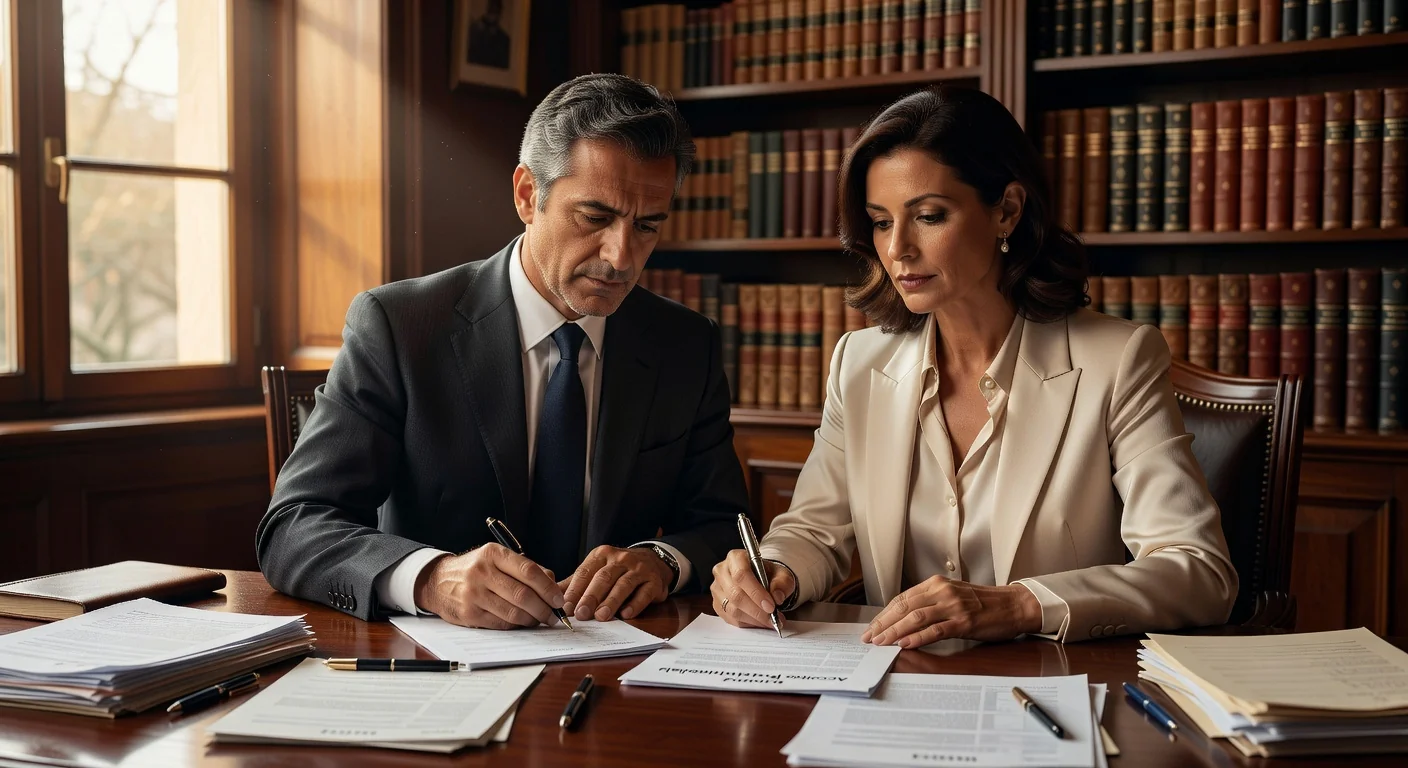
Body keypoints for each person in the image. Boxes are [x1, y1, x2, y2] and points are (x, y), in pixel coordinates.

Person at [710, 87, 1237, 644]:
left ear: (1007, 210)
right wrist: (774, 572)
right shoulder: (858, 363)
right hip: (891, 687)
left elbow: (1198, 571)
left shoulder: (1118, 360)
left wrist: (1018, 606)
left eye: (929, 217)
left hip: (1049, 689)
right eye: (882, 222)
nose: (898, 250)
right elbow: (816, 528)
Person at [258, 73, 749, 630]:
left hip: (622, 665)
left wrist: (662, 560)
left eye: (647, 226)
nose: (621, 257)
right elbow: (295, 526)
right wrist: (429, 578)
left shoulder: (686, 344)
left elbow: (725, 526)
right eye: (595, 218)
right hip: (436, 667)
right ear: (526, 195)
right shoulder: (399, 326)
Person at [468, 0, 511, 69]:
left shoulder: (504, 40)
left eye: (495, 10)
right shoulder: (475, 31)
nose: (492, 15)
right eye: (491, 9)